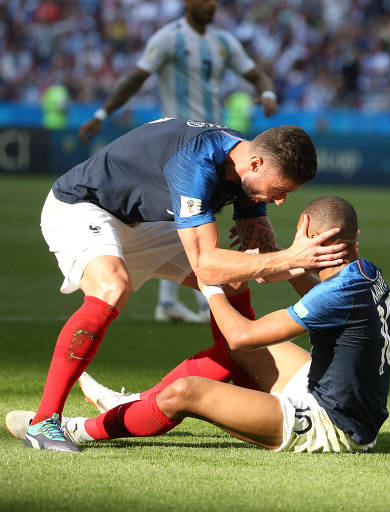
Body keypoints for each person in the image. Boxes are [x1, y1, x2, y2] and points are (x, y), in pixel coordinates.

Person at [23, 118, 347, 453]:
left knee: (234, 282)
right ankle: (44, 422)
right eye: (280, 190)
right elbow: (206, 263)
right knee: (112, 287)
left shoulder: (247, 170)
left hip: (142, 222)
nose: (279, 201)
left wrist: (287, 256)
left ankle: (234, 389)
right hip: (82, 205)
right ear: (257, 163)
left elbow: (261, 262)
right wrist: (292, 259)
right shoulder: (194, 163)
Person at [8, 197, 390, 453]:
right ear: (354, 238)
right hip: (344, 395)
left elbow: (242, 337)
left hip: (333, 424)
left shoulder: (336, 294)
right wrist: (284, 259)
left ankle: (78, 429)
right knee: (238, 351)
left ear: (304, 223)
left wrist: (209, 282)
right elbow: (304, 291)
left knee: (185, 392)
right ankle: (132, 405)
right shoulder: (364, 273)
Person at [79, 0, 280, 323]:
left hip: (216, 144)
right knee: (183, 218)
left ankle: (176, 301)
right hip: (175, 146)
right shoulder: (168, 38)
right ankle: (202, 298)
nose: (211, 4)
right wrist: (101, 115)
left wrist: (267, 93)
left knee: (189, 219)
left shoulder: (223, 41)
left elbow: (255, 74)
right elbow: (135, 78)